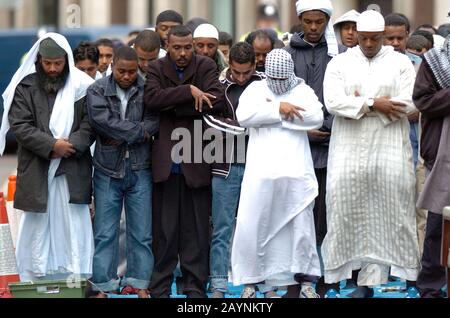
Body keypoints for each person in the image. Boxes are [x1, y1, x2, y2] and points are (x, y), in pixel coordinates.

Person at [322, 10, 421, 298]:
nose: (367, 43)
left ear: (382, 37)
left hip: (389, 148)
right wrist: (372, 104)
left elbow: (412, 101)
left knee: (396, 211)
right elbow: (332, 101)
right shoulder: (340, 62)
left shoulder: (400, 62)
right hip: (348, 151)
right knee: (344, 210)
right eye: (363, 38)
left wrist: (363, 105)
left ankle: (408, 280)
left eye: (374, 39)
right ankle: (353, 283)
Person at [0, 33, 95, 281]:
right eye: (47, 63)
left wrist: (70, 146)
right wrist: (53, 146)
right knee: (36, 229)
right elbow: (20, 126)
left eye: (58, 63)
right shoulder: (25, 87)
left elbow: (90, 123)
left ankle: (76, 279)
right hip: (37, 169)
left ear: (66, 61)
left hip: (72, 168)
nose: (52, 69)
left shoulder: (81, 86)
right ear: (38, 61)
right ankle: (35, 280)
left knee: (74, 228)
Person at [230, 49, 324, 299]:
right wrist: (280, 109)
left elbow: (315, 117)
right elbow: (244, 117)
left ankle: (304, 282)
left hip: (296, 177)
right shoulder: (256, 90)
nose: (279, 85)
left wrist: (273, 117)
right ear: (267, 74)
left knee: (301, 228)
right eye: (275, 80)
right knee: (254, 227)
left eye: (284, 81)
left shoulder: (303, 91)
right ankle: (252, 282)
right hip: (260, 176)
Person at [144, 25, 224, 298]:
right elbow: (151, 100)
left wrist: (174, 104)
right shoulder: (156, 67)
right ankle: (161, 285)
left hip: (196, 157)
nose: (182, 53)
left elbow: (215, 100)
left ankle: (193, 285)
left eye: (187, 47)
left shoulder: (205, 66)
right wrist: (189, 91)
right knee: (164, 231)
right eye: (176, 48)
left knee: (196, 230)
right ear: (167, 45)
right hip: (167, 161)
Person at [87, 47, 159, 298]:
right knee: (105, 232)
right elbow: (102, 122)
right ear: (113, 66)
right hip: (107, 170)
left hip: (141, 168)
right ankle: (103, 286)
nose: (127, 76)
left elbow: (154, 121)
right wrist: (138, 133)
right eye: (121, 71)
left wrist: (122, 135)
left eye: (131, 71)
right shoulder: (96, 89)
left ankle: (139, 283)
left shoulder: (147, 86)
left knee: (141, 232)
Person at [285, 0, 345, 298]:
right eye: (307, 21)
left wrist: (327, 126)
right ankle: (296, 281)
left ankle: (325, 280)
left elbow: (345, 96)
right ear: (300, 20)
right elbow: (278, 98)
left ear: (326, 21)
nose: (312, 27)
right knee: (296, 217)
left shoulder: (341, 55)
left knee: (326, 217)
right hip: (296, 149)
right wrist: (304, 129)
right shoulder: (284, 55)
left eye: (318, 22)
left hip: (333, 148)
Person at [203, 42, 266, 298]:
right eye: (236, 72)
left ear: (255, 65)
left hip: (259, 165)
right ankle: (218, 284)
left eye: (245, 72)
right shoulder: (218, 84)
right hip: (225, 166)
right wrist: (247, 126)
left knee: (258, 227)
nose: (240, 77)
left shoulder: (265, 81)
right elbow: (209, 118)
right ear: (229, 64)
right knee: (222, 228)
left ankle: (258, 283)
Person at [413, 35, 450, 299]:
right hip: (442, 151)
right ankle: (431, 287)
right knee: (438, 221)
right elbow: (423, 101)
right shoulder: (434, 61)